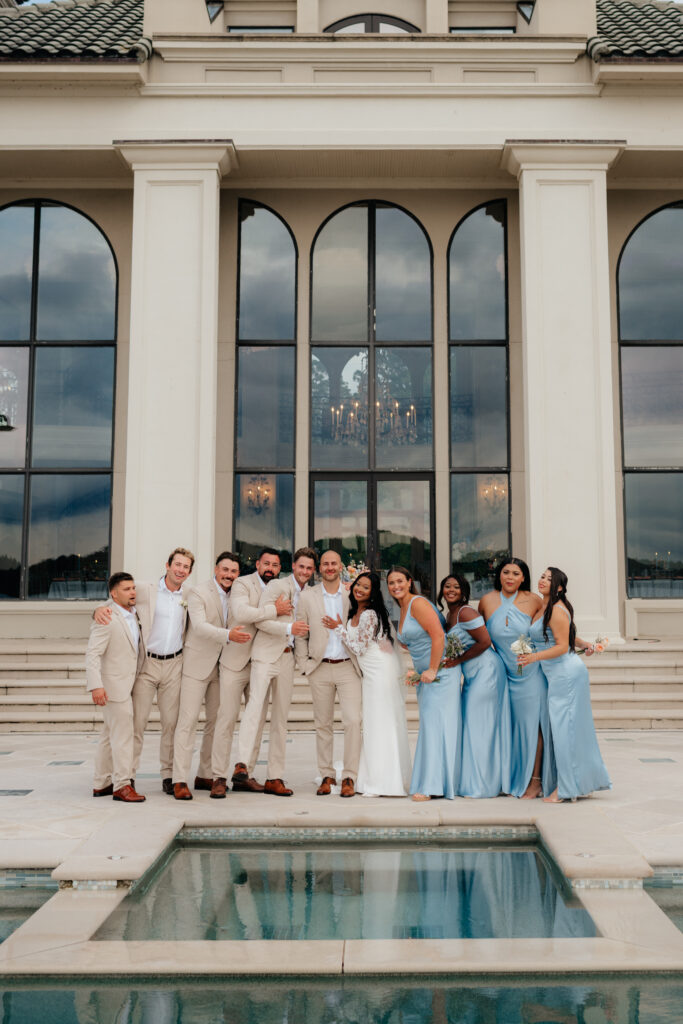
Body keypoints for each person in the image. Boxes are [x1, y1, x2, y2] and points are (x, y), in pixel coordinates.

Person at [93, 547, 194, 795]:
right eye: (177, 564)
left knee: (171, 725)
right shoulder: (145, 589)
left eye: (186, 567)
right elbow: (116, 596)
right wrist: (97, 609)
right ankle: (129, 777)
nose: (181, 570)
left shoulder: (191, 594)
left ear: (189, 572)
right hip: (147, 665)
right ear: (168, 565)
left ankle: (169, 775)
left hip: (175, 665)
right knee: (136, 725)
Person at [517, 567, 612, 803]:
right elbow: (569, 638)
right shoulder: (544, 607)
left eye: (550, 579)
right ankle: (577, 782)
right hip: (556, 675)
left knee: (565, 732)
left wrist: (533, 657)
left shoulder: (557, 610)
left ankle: (566, 789)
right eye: (542, 576)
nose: (542, 581)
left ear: (559, 587)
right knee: (565, 730)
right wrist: (587, 644)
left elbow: (561, 646)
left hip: (566, 674)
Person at [210, 547, 292, 798]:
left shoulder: (279, 586)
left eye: (275, 565)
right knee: (226, 719)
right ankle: (219, 777)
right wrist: (273, 611)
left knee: (257, 719)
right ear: (257, 564)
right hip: (237, 660)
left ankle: (245, 772)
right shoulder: (242, 583)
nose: (270, 569)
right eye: (266, 564)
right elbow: (241, 613)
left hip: (264, 658)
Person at [322, 571, 411, 797]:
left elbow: (360, 647)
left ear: (373, 593)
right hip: (369, 672)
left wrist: (338, 628)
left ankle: (383, 780)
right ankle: (372, 773)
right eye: (358, 585)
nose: (360, 589)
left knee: (379, 722)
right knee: (372, 722)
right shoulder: (356, 610)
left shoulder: (369, 613)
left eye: (366, 587)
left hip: (378, 672)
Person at [171, 552, 251, 801]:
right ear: (216, 570)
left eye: (234, 571)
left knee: (216, 723)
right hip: (197, 665)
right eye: (225, 570)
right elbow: (199, 625)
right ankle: (180, 779)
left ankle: (205, 774)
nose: (229, 575)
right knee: (188, 721)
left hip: (224, 667)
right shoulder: (198, 592)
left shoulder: (239, 594)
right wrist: (228, 635)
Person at [238, 548, 315, 797]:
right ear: (293, 566)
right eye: (301, 566)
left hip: (288, 659)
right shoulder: (276, 586)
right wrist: (290, 626)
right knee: (254, 709)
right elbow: (261, 622)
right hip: (265, 655)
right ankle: (242, 766)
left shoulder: (311, 594)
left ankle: (275, 777)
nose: (305, 571)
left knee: (280, 721)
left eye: (309, 568)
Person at [479, 557, 556, 800]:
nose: (510, 577)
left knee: (533, 726)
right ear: (499, 575)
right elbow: (477, 636)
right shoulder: (486, 601)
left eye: (516, 573)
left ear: (524, 578)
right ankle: (510, 777)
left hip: (530, 672)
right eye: (506, 572)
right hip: (503, 674)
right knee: (510, 727)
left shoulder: (534, 600)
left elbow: (551, 630)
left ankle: (535, 781)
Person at [387, 566, 461, 801]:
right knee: (432, 726)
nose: (395, 586)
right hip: (425, 675)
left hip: (439, 673)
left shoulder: (418, 603)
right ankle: (435, 780)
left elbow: (438, 635)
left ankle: (432, 785)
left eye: (400, 581)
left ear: (410, 582)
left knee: (434, 727)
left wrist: (431, 668)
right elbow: (415, 640)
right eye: (391, 583)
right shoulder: (403, 607)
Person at [295, 549, 362, 798]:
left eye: (334, 563)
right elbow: (301, 632)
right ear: (319, 568)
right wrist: (303, 663)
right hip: (320, 667)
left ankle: (349, 777)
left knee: (353, 721)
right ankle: (326, 775)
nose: (330, 567)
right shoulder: (307, 596)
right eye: (325, 564)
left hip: (348, 666)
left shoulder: (351, 593)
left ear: (341, 566)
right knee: (323, 724)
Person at [439, 573, 511, 799]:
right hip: (472, 674)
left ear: (464, 591)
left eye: (456, 587)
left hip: (487, 671)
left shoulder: (466, 612)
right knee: (473, 724)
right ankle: (474, 779)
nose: (451, 590)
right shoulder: (448, 614)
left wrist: (457, 661)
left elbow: (485, 641)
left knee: (481, 726)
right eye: (447, 586)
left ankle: (483, 784)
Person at [86, 572, 146, 803]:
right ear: (113, 593)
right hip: (113, 686)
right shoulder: (106, 617)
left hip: (130, 682)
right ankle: (122, 785)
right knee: (123, 736)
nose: (132, 592)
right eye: (126, 589)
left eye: (133, 588)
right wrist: (96, 685)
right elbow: (93, 652)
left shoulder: (134, 612)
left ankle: (101, 783)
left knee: (108, 735)